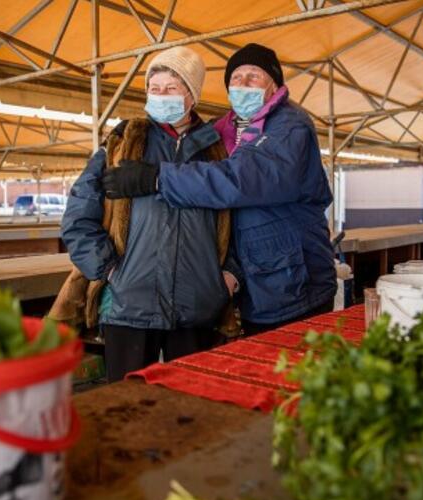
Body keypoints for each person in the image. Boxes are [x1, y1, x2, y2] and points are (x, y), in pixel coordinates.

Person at [102, 43, 336, 335]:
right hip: (249, 283)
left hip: (293, 280)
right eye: (236, 78)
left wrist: (158, 179)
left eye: (254, 76)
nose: (243, 84)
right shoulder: (220, 131)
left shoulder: (289, 126)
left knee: (294, 369)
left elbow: (244, 179)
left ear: (274, 84)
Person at [57, 46, 240, 381]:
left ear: (192, 95)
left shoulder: (216, 150)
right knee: (127, 408)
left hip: (197, 304)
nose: (161, 96)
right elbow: (78, 215)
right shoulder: (122, 142)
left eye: (171, 88)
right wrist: (109, 270)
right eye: (154, 89)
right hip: (130, 305)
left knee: (191, 409)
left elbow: (237, 220)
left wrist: (227, 277)